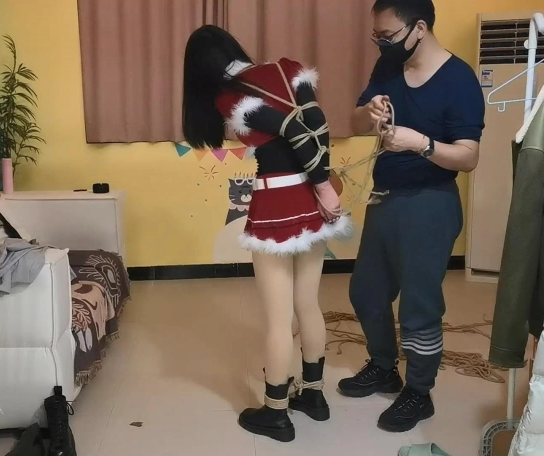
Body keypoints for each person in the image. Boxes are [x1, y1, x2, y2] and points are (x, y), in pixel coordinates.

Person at [182, 25, 351, 443]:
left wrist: (323, 186)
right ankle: (314, 396)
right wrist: (323, 184)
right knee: (308, 304)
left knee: (278, 320)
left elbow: (293, 130)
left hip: (276, 204)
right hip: (312, 202)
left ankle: (276, 412)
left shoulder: (230, 97)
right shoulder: (287, 69)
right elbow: (316, 124)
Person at [339, 0, 485, 433]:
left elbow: (468, 157)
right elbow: (356, 122)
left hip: (430, 201)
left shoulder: (459, 80)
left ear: (419, 28)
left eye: (387, 36)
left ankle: (419, 393)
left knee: (419, 307)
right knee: (366, 293)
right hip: (385, 196)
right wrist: (369, 113)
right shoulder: (388, 66)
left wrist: (420, 144)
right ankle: (384, 366)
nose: (381, 44)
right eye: (376, 37)